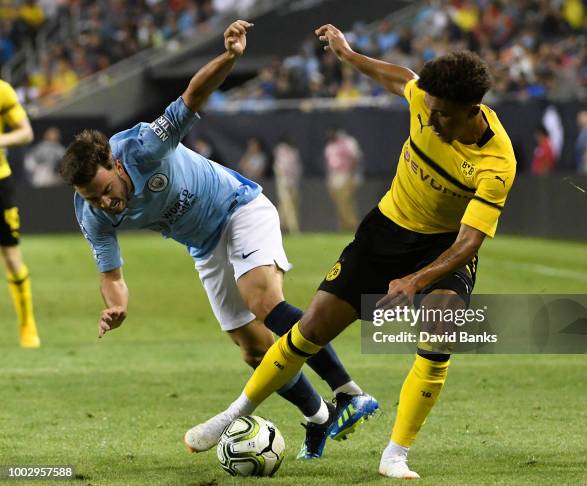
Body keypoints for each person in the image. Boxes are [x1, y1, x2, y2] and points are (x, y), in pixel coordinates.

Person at [186, 24, 516, 480]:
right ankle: (233, 412)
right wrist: (348, 54)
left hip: (442, 246)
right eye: (431, 110)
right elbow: (398, 77)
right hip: (384, 233)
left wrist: (417, 281)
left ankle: (396, 455)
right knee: (310, 329)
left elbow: (469, 242)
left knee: (441, 334)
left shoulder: (497, 164)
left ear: (471, 111)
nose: (432, 120)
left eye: (443, 115)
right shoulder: (426, 100)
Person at [58, 20, 378, 460]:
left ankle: (348, 392)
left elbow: (192, 96)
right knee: (252, 348)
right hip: (204, 245)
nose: (105, 203)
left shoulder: (143, 147)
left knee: (263, 301)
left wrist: (230, 57)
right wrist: (118, 304)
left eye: (105, 190)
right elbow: (111, 272)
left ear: (113, 164)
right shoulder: (91, 212)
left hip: (238, 207)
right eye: (92, 198)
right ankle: (320, 417)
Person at [0, 79, 40, 348]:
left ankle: (27, 324)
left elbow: (25, 132)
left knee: (12, 257)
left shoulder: (2, 91)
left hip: (0, 182)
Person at [324, 127, 362, 231]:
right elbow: (329, 164)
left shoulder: (348, 142)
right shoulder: (330, 146)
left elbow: (355, 159)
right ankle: (344, 224)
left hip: (346, 175)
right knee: (339, 203)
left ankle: (353, 224)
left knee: (346, 202)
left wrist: (352, 175)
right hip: (334, 176)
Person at [273, 136, 301, 234]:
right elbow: (279, 167)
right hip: (284, 182)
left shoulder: (294, 151)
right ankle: (293, 228)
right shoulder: (281, 150)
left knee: (286, 205)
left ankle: (280, 226)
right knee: (288, 205)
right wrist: (283, 180)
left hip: (293, 182)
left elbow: (296, 168)